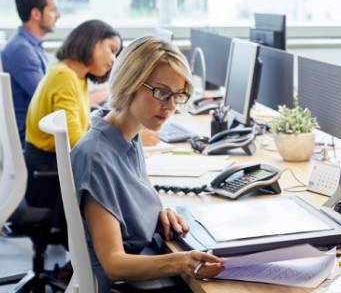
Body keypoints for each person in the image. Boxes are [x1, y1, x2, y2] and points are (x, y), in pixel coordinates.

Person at [71, 37, 225, 292]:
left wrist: (156, 213)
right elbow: (114, 263)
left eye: (178, 95)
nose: (171, 106)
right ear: (129, 83)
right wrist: (182, 261)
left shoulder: (128, 136)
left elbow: (126, 203)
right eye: (162, 92)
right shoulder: (96, 156)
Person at [24, 19, 121, 213]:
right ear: (93, 42)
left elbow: (82, 128)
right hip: (48, 175)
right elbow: (77, 143)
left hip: (53, 167)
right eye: (111, 50)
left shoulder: (77, 77)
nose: (114, 60)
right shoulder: (65, 77)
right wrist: (121, 139)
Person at [1, 0, 59, 141]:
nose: (57, 15)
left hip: (36, 129)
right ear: (36, 14)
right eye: (53, 10)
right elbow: (46, 100)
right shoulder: (22, 50)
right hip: (31, 136)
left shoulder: (30, 46)